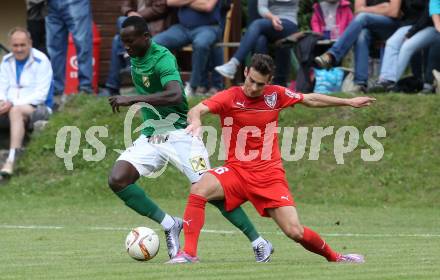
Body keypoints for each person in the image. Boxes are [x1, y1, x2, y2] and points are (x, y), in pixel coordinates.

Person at [167, 54, 376, 264]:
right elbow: (198, 109)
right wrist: (195, 121)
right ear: (246, 72)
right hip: (237, 172)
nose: (254, 87)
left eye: (260, 84)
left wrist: (348, 101)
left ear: (269, 81)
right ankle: (189, 254)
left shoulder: (275, 96)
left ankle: (336, 257)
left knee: (294, 231)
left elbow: (310, 99)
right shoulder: (230, 96)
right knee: (199, 189)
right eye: (251, 81)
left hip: (269, 177)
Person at [107, 16, 272, 261]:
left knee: (211, 192)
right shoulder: (134, 57)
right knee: (118, 179)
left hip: (181, 134)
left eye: (131, 41)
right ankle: (169, 223)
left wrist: (132, 99)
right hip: (153, 135)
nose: (126, 47)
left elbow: (175, 94)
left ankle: (259, 242)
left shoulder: (162, 58)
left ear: (146, 38)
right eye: (123, 42)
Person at [315, 0, 402, 93]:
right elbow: (358, 10)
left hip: (393, 25)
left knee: (363, 17)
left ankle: (332, 55)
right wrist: (382, 7)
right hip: (371, 25)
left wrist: (366, 10)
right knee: (362, 34)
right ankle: (360, 84)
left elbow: (394, 12)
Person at [0, 27, 53, 178]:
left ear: (30, 43)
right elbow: (2, 87)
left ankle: (10, 160)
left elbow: (40, 95)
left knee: (16, 111)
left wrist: (11, 103)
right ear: (10, 45)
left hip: (39, 108)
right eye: (15, 45)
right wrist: (3, 102)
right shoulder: (6, 61)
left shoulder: (41, 60)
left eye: (22, 45)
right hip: (12, 108)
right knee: (16, 113)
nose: (19, 49)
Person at [215, 0, 299, 86]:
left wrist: (274, 19)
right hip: (270, 22)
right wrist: (272, 17)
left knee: (256, 24)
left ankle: (234, 63)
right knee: (260, 40)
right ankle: (261, 81)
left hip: (289, 23)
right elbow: (262, 8)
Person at [101, 0, 176, 96]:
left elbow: (160, 7)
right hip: (134, 28)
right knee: (117, 39)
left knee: (122, 23)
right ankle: (127, 63)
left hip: (153, 27)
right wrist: (130, 13)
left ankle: (112, 87)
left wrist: (137, 16)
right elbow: (124, 5)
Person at [153, 0, 223, 95]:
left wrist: (183, 2)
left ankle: (193, 86)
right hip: (182, 28)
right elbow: (170, 2)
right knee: (156, 42)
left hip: (208, 27)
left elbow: (207, 6)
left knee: (200, 44)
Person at [370, 0, 439, 93]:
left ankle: (392, 82)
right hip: (411, 25)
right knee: (391, 42)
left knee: (407, 47)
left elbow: (427, 16)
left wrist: (411, 33)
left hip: (428, 26)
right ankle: (384, 80)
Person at [45, 0, 93, 95]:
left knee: (82, 44)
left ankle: (85, 88)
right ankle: (56, 91)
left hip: (76, 2)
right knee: (54, 48)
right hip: (50, 3)